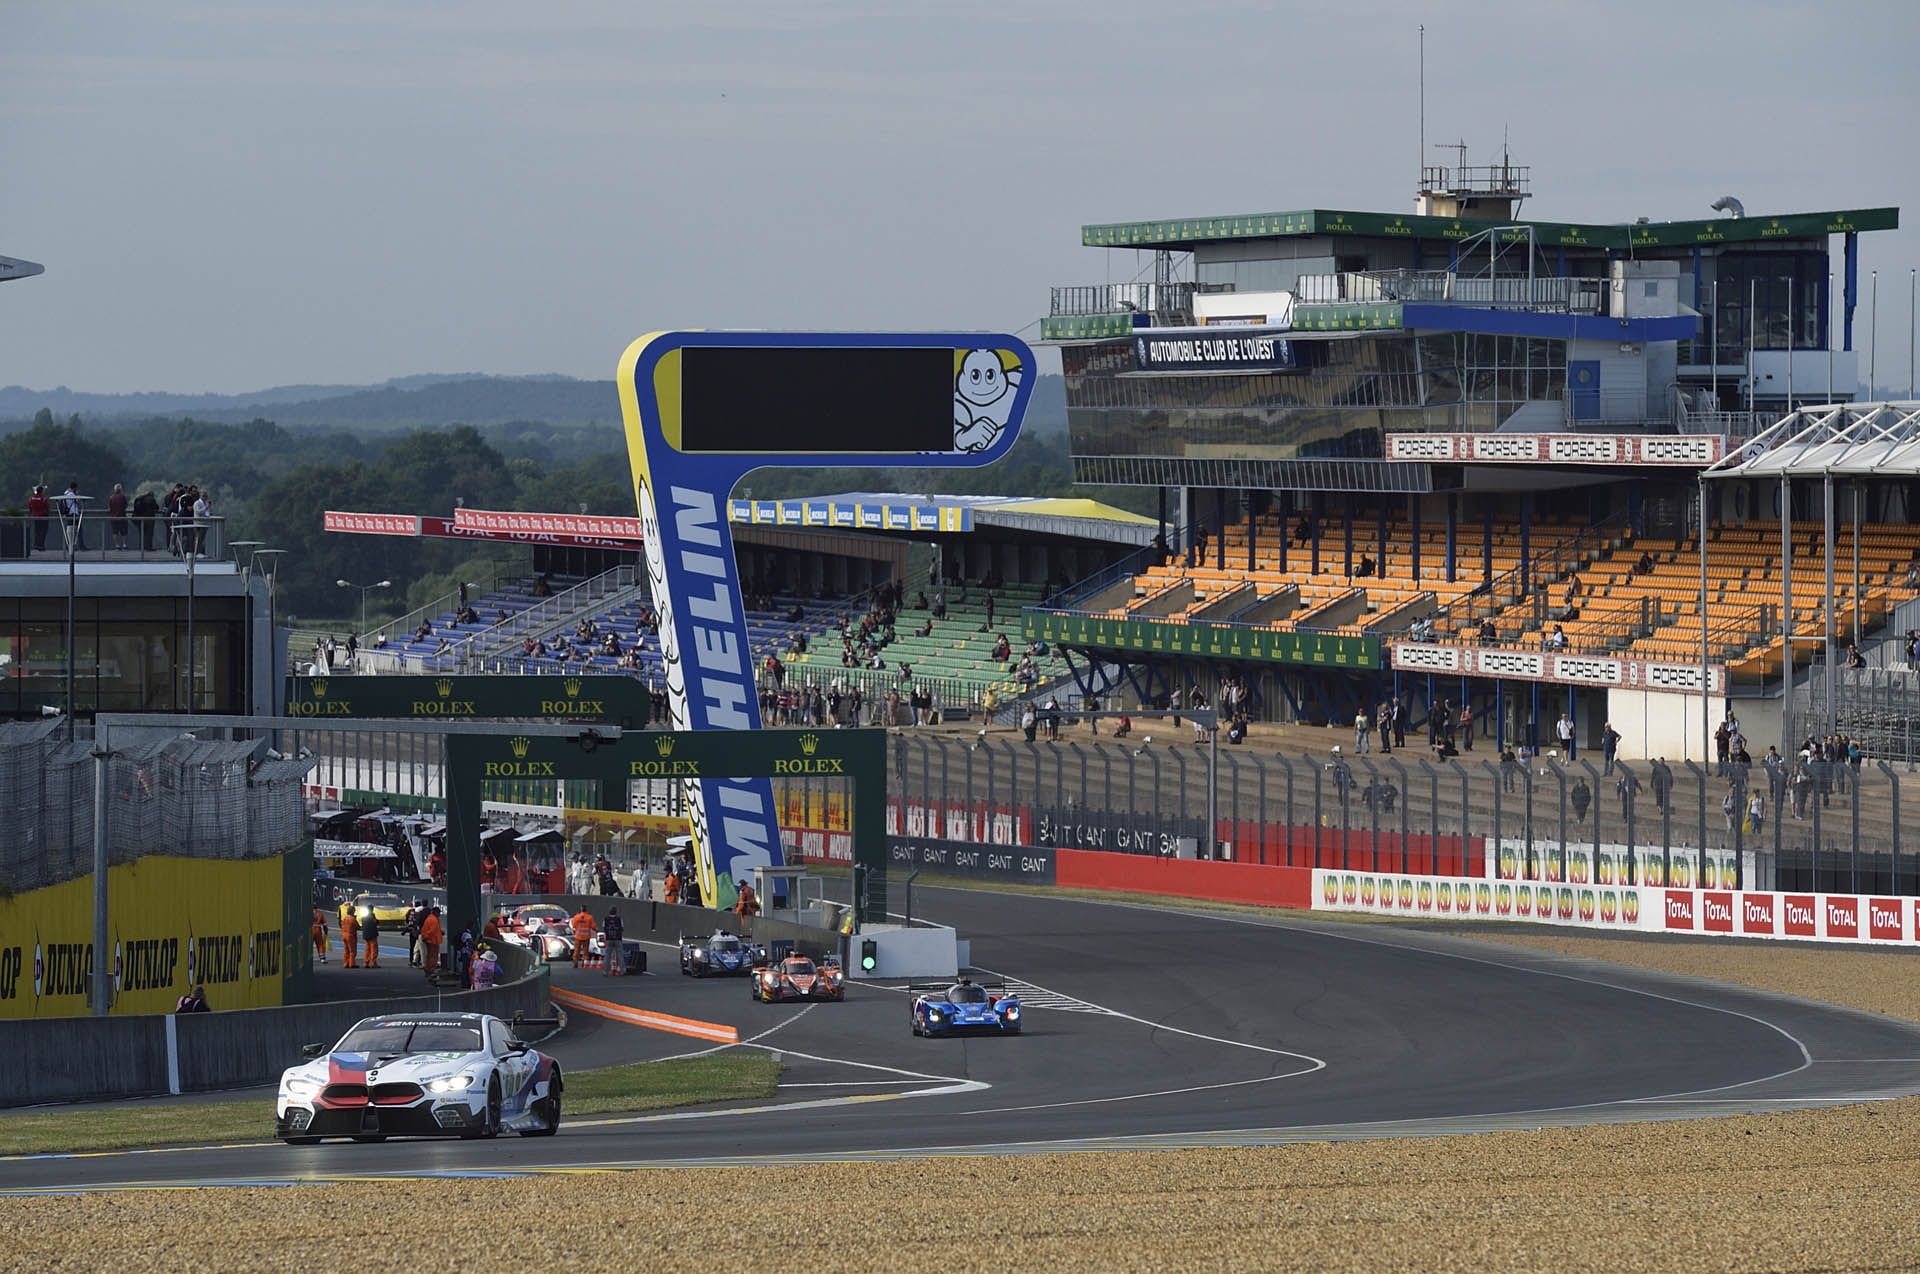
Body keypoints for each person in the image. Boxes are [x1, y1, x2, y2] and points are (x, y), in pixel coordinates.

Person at [419, 905, 443, 979]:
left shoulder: (430, 918)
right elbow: (432, 931)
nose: (439, 914)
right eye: (438, 913)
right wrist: (427, 937)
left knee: (429, 956)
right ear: (435, 912)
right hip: (433, 941)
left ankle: (428, 969)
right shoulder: (434, 920)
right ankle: (431, 970)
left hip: (430, 940)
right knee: (433, 956)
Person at [601, 906, 625, 977]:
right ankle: (622, 971)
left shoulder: (606, 919)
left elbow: (604, 927)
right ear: (616, 912)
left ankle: (605, 972)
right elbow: (622, 928)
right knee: (620, 955)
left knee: (607, 956)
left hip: (609, 939)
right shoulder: (619, 919)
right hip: (618, 939)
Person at [27, 484, 50, 552]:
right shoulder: (43, 498)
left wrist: (33, 512)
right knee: (43, 531)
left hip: (35, 516)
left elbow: (30, 507)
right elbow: (47, 507)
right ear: (41, 491)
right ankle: (41, 545)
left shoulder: (31, 498)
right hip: (43, 516)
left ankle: (36, 544)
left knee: (37, 531)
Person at [107, 482, 129, 550]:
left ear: (114, 490)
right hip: (122, 516)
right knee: (124, 532)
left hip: (114, 517)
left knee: (115, 532)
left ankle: (117, 545)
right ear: (120, 489)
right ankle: (124, 544)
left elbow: (110, 508)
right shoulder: (123, 497)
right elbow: (126, 505)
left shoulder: (111, 497)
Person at [339, 903, 359, 969]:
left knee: (346, 950)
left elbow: (341, 926)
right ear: (352, 911)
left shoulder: (344, 918)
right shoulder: (352, 919)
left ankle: (346, 963)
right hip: (351, 935)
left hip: (344, 935)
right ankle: (352, 964)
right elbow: (357, 926)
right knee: (352, 950)